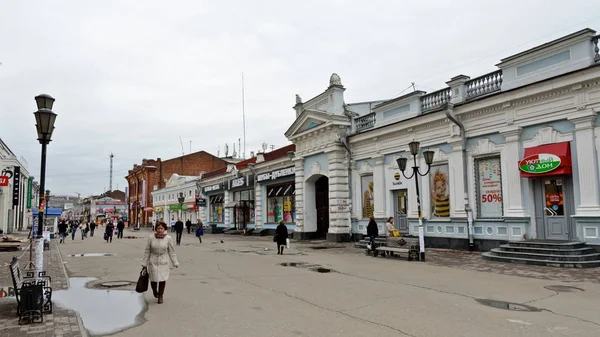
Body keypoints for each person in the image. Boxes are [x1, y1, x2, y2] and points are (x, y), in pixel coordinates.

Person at [141, 221, 179, 304]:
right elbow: (147, 250)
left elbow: (171, 251)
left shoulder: (168, 238)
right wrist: (144, 263)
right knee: (153, 279)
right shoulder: (151, 237)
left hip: (163, 261)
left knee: (162, 279)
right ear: (156, 229)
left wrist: (175, 262)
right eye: (158, 228)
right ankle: (155, 291)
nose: (160, 230)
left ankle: (161, 295)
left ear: (164, 229)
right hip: (153, 260)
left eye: (161, 228)